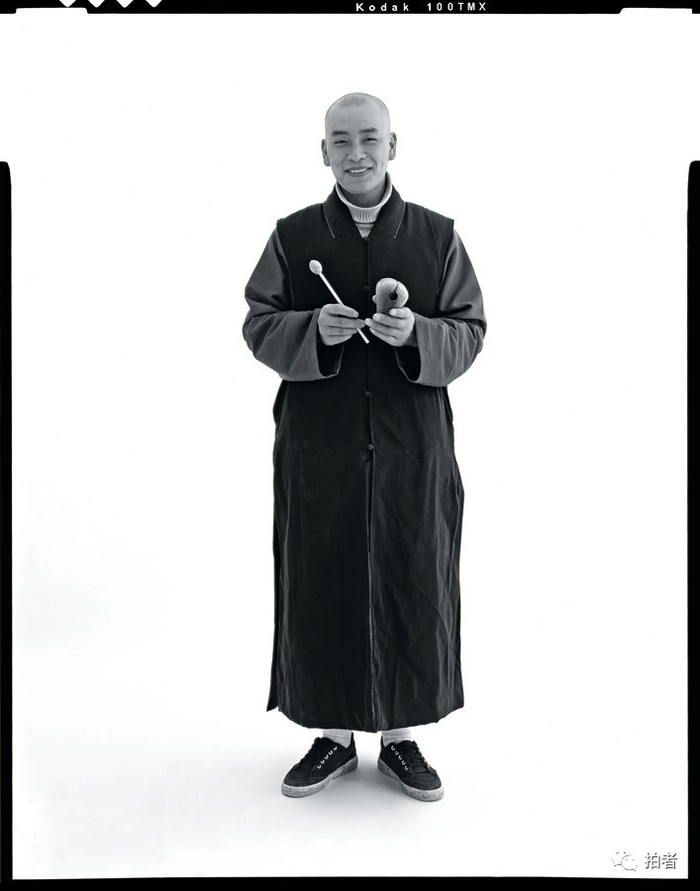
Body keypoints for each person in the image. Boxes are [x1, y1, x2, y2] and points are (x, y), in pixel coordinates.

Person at [242, 92, 486, 802]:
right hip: (318, 445)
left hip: (414, 445)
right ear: (323, 151)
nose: (356, 153)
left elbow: (470, 329)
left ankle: (403, 736)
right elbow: (258, 323)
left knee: (414, 573)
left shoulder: (437, 236)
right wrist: (311, 330)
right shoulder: (292, 237)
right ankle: (333, 735)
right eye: (342, 141)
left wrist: (417, 334)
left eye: (369, 138)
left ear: (392, 145)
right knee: (322, 576)